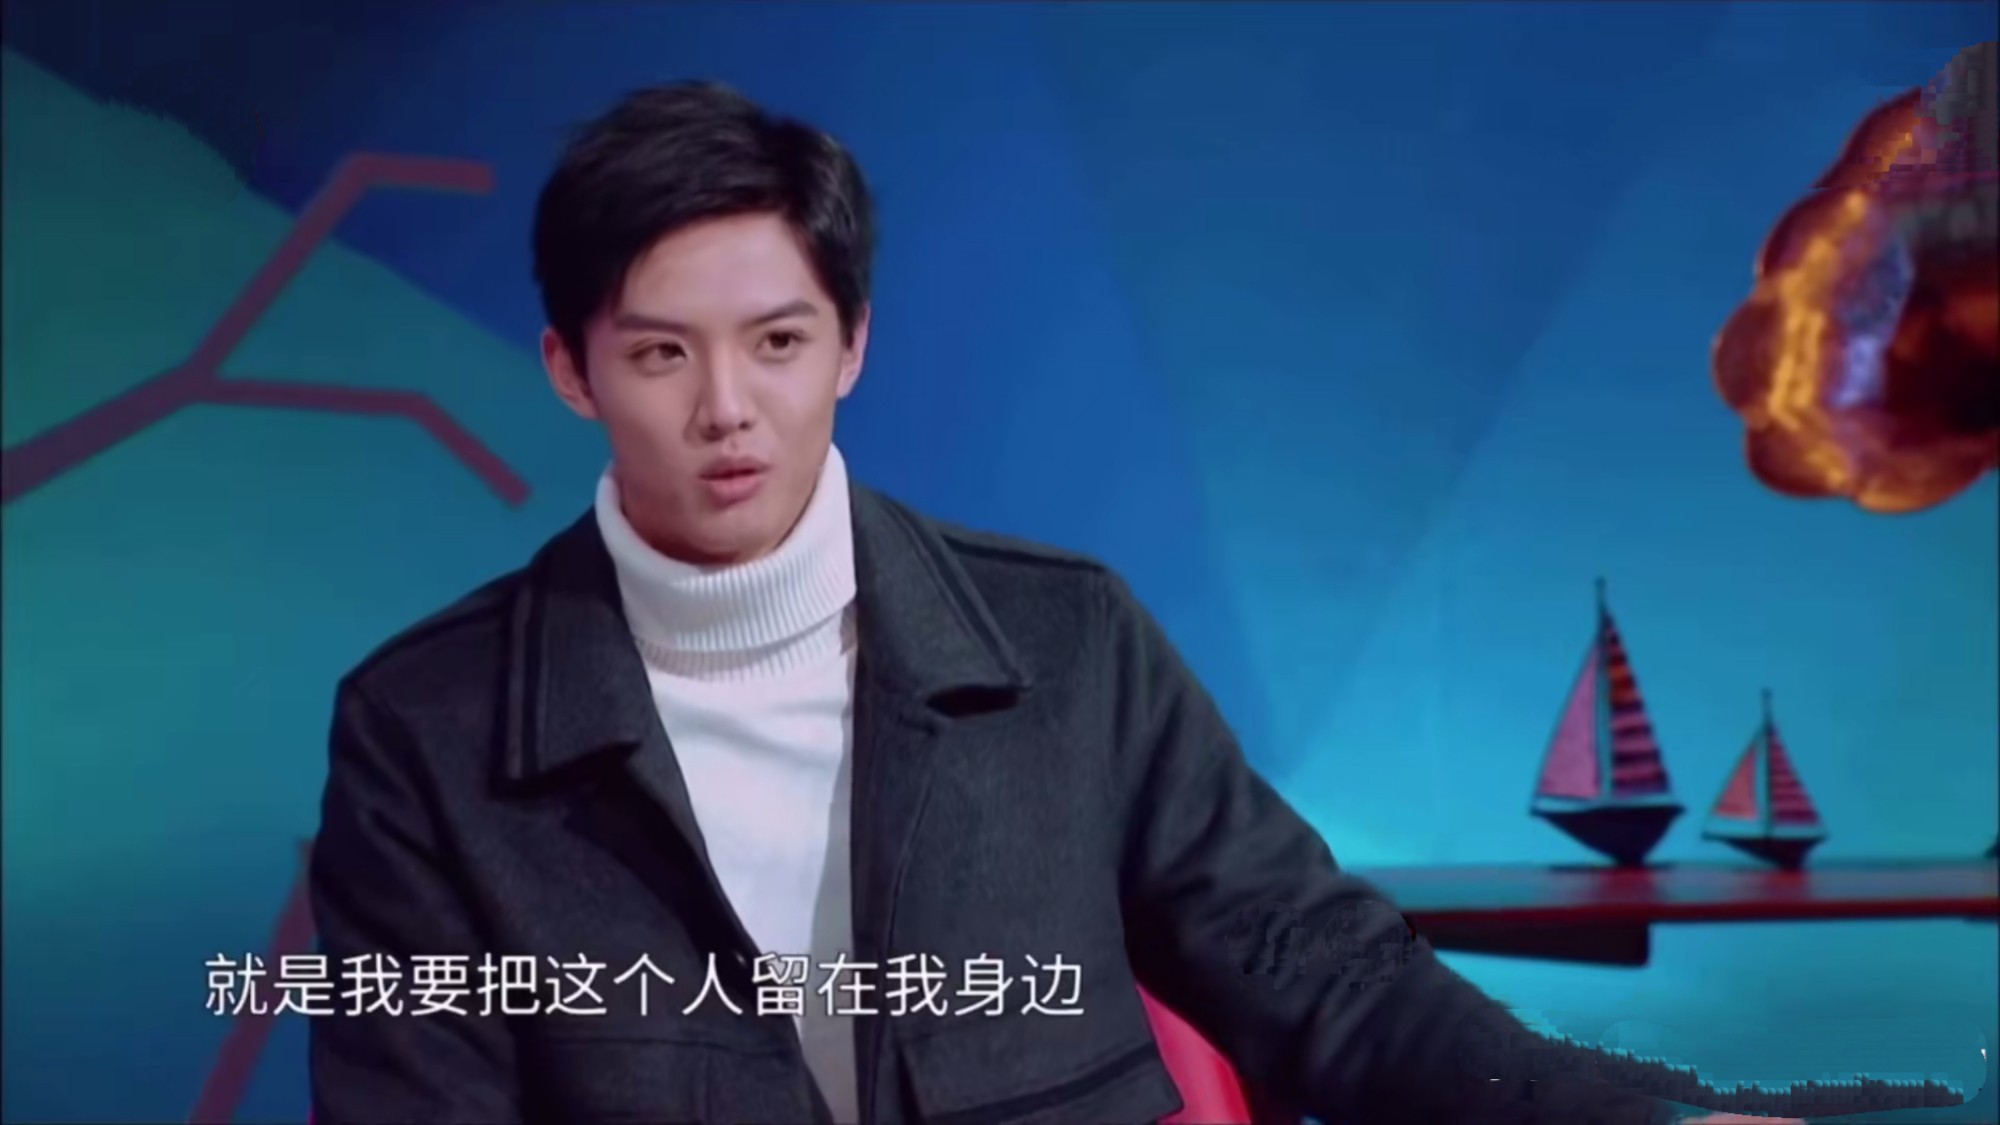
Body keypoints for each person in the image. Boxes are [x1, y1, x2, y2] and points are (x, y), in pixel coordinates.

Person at [308, 82, 1794, 1125]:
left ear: (853, 345)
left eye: (778, 341)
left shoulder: (1064, 643)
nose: (727, 408)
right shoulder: (425, 728)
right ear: (570, 370)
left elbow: (1318, 968)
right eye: (659, 355)